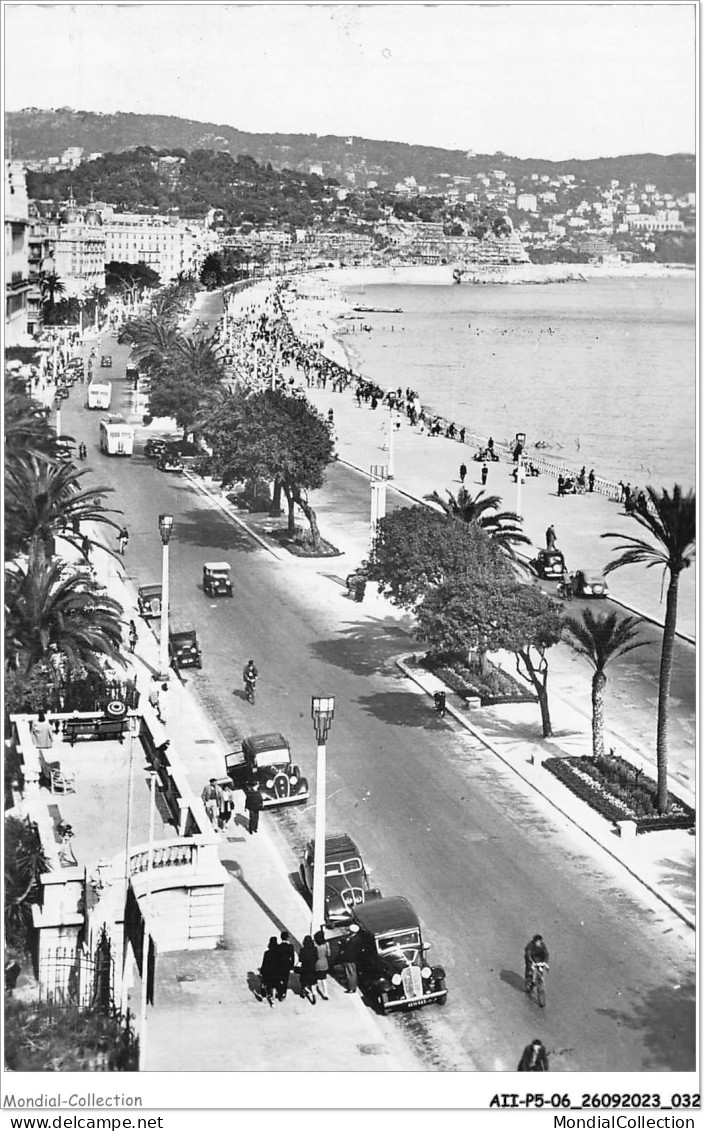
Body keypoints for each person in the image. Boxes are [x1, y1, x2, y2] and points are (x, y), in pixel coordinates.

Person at [340, 923, 364, 993]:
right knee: (353, 972)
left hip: (349, 959)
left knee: (350, 973)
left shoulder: (352, 940)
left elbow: (348, 950)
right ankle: (353, 986)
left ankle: (351, 987)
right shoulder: (358, 938)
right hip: (354, 958)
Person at [259, 937, 280, 1007]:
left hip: (269, 972)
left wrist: (262, 971)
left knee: (266, 983)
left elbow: (264, 963)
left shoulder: (267, 953)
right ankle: (273, 999)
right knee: (274, 986)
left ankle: (265, 994)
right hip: (276, 972)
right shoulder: (278, 953)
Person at [297, 936, 318, 1005]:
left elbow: (300, 959)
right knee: (312, 982)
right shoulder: (314, 949)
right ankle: (314, 995)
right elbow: (316, 958)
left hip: (305, 967)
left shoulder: (302, 950)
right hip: (312, 967)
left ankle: (304, 991)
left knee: (303, 981)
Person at [277, 931, 296, 1001]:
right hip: (287, 966)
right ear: (287, 938)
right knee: (285, 979)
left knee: (279, 979)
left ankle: (279, 991)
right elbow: (292, 957)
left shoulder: (278, 947)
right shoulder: (290, 947)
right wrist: (292, 966)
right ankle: (283, 993)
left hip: (279, 965)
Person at [313, 929, 330, 1000]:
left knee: (314, 978)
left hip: (316, 963)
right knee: (323, 978)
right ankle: (326, 992)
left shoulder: (315, 945)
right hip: (324, 963)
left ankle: (314, 992)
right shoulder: (326, 944)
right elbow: (329, 954)